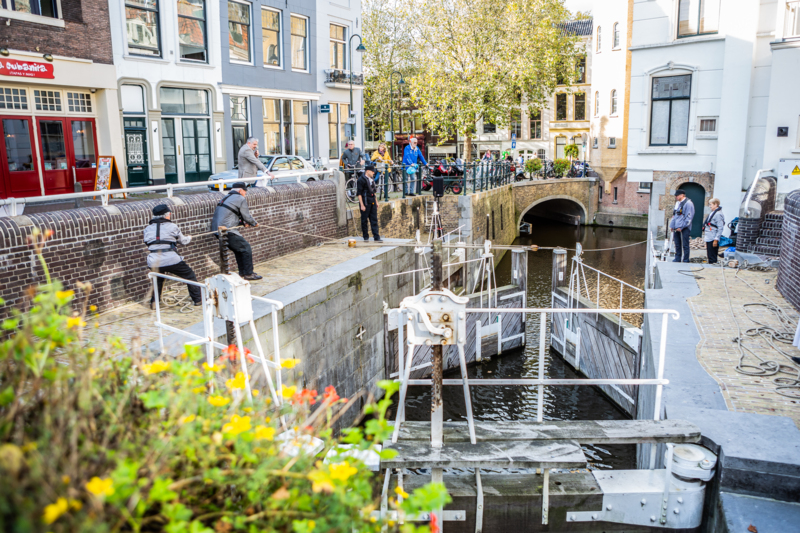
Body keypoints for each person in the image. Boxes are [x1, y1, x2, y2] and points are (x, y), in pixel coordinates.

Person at [144, 204, 201, 310]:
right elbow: (183, 241)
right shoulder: (172, 226)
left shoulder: (147, 229)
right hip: (171, 259)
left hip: (153, 261)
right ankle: (198, 300)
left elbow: (148, 243)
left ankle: (154, 303)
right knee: (190, 276)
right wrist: (189, 237)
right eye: (169, 214)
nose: (170, 216)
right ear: (166, 215)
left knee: (158, 280)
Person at [211, 182, 262, 280]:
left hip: (217, 230)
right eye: (245, 192)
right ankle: (248, 274)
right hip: (227, 231)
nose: (245, 194)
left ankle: (243, 273)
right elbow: (247, 216)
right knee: (246, 248)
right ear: (240, 190)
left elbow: (228, 216)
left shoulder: (226, 197)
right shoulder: (240, 198)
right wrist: (254, 223)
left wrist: (242, 223)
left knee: (240, 250)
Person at [357, 162, 382, 242]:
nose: (374, 172)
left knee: (374, 219)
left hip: (372, 201)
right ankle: (365, 237)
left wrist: (376, 201)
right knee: (364, 220)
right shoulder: (361, 180)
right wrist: (362, 205)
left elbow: (373, 191)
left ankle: (376, 237)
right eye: (372, 171)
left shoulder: (371, 180)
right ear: (368, 171)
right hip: (365, 202)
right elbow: (359, 193)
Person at [669, 189, 695, 263]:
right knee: (677, 243)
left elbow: (689, 217)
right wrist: (672, 225)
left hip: (685, 227)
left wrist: (682, 227)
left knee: (685, 244)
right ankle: (677, 258)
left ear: (682, 195)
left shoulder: (688, 203)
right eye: (676, 196)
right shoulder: (678, 203)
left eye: (677, 195)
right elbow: (675, 215)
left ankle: (686, 259)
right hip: (676, 227)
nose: (676, 197)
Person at [703, 198, 725, 264]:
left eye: (711, 204)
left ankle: (713, 264)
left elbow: (720, 227)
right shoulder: (712, 213)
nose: (710, 206)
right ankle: (711, 263)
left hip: (713, 237)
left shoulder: (718, 214)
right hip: (709, 236)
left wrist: (716, 239)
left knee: (712, 255)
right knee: (709, 254)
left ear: (716, 205)